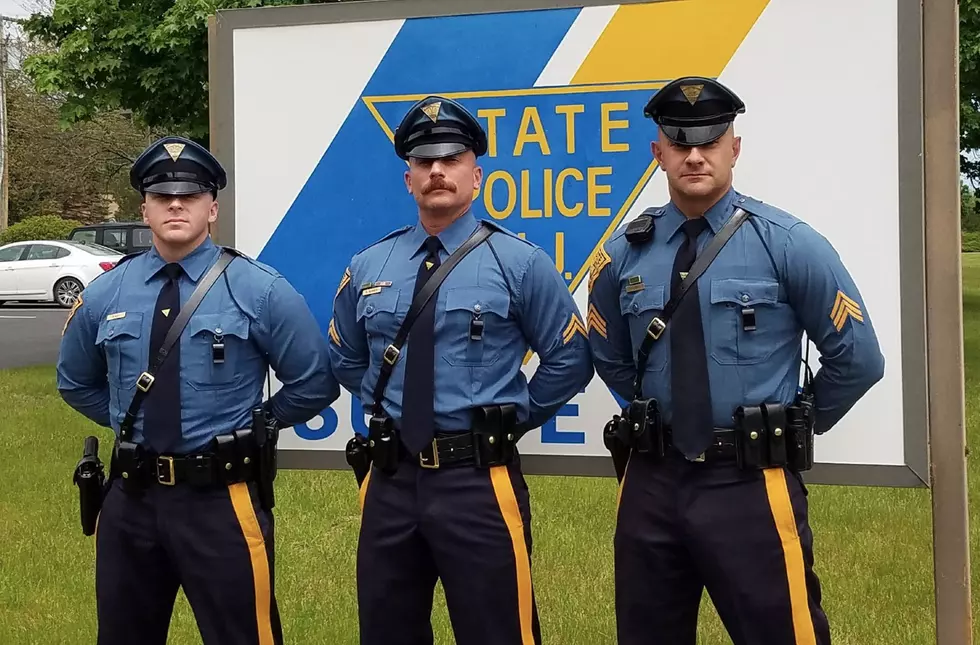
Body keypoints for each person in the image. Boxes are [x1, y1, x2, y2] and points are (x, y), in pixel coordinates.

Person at [588, 76, 885, 645]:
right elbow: (608, 350)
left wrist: (793, 425)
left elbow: (858, 358)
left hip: (749, 481)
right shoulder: (625, 252)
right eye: (679, 143)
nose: (694, 155)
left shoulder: (788, 242)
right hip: (652, 481)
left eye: (710, 141)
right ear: (658, 153)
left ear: (735, 148)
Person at [328, 95, 594, 645]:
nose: (437, 171)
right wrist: (392, 407)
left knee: (500, 631)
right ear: (408, 179)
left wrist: (512, 417)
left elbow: (570, 357)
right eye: (425, 162)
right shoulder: (369, 264)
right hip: (391, 479)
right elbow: (345, 355)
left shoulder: (518, 261)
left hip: (478, 480)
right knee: (386, 629)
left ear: (476, 174)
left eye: (451, 159)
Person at [57, 135, 339, 645]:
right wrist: (127, 420)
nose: (176, 205)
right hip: (131, 500)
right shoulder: (106, 292)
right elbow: (75, 382)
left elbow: (314, 382)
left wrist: (255, 427)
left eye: (189, 195)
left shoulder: (259, 289)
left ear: (212, 208)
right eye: (162, 196)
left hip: (221, 499)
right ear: (144, 209)